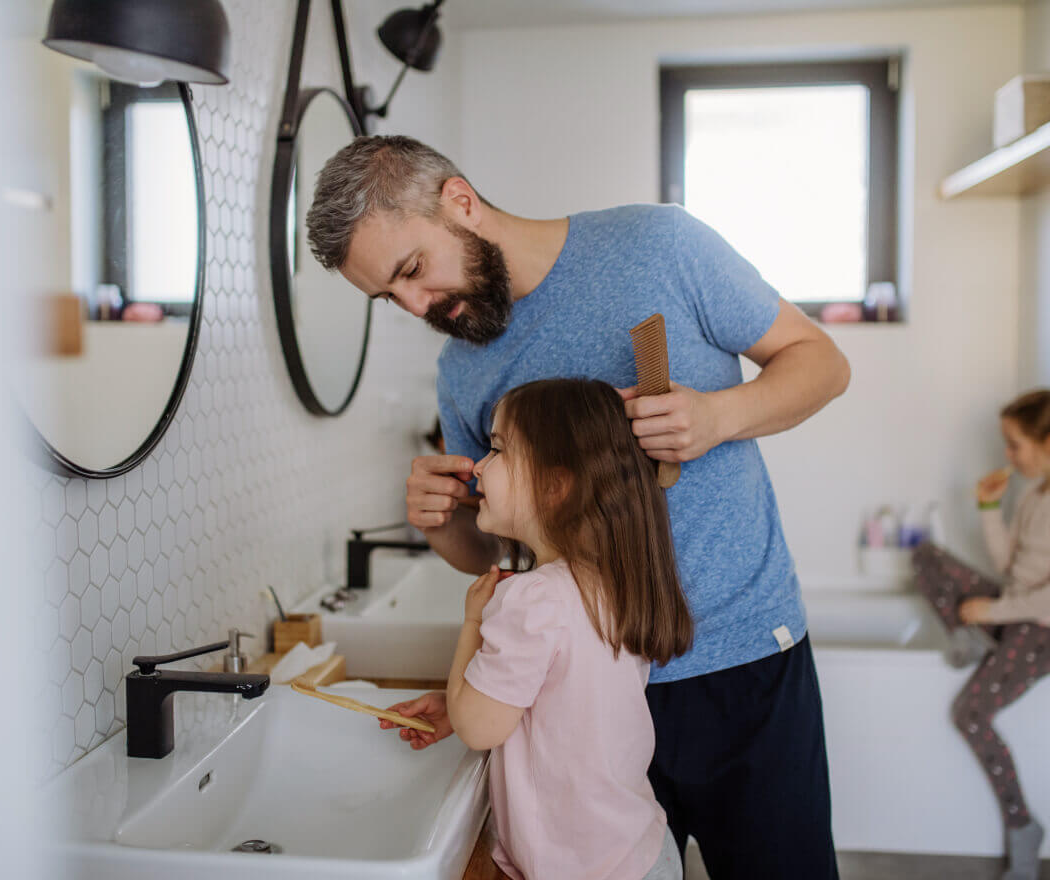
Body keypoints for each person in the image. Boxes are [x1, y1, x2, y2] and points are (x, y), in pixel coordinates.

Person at [308, 135, 850, 877]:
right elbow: (498, 550)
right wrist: (443, 523)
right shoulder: (463, 370)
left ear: (460, 202)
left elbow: (822, 361)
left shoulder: (659, 246)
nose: (416, 306)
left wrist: (720, 417)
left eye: (412, 271)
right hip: (580, 703)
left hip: (743, 664)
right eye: (389, 298)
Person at [386, 378, 691, 879]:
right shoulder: (613, 578)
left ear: (554, 486)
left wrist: (472, 623)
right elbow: (561, 697)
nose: (478, 466)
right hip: (642, 852)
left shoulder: (532, 597)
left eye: (498, 449)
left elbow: (479, 728)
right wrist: (469, 694)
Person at [912, 389, 1050, 880]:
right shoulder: (1037, 494)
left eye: (1015, 444)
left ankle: (1023, 827)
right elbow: (1010, 567)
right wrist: (988, 508)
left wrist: (994, 610)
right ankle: (971, 635)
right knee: (924, 554)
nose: (1009, 455)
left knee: (970, 714)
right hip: (1017, 612)